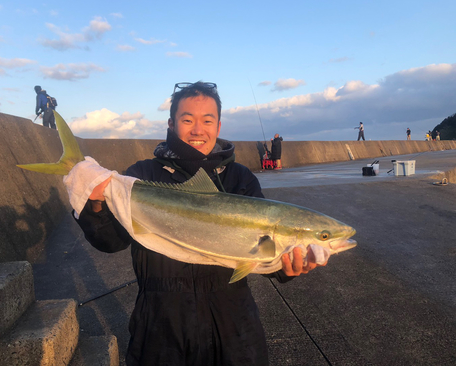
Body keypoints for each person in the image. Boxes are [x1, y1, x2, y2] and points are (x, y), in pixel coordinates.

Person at [74, 81, 326, 366]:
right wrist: (95, 203)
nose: (198, 129)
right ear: (171, 124)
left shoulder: (240, 179)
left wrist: (287, 267)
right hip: (159, 328)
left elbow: (264, 254)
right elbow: (110, 240)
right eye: (187, 119)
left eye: (207, 120)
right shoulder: (141, 176)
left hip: (234, 329)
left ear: (218, 126)